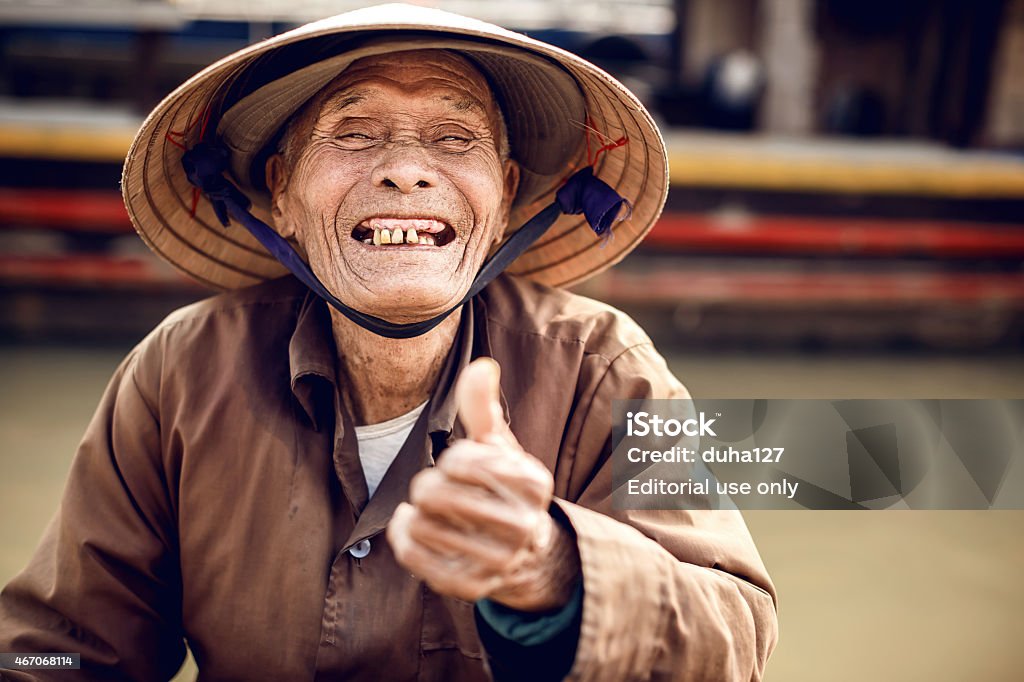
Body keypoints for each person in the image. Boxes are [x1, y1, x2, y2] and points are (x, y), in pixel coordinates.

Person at [0, 4, 778, 680]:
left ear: (505, 197)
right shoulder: (179, 372)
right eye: (356, 132)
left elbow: (736, 639)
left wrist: (551, 566)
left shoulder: (607, 366)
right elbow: (56, 649)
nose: (406, 171)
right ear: (281, 193)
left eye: (452, 137)